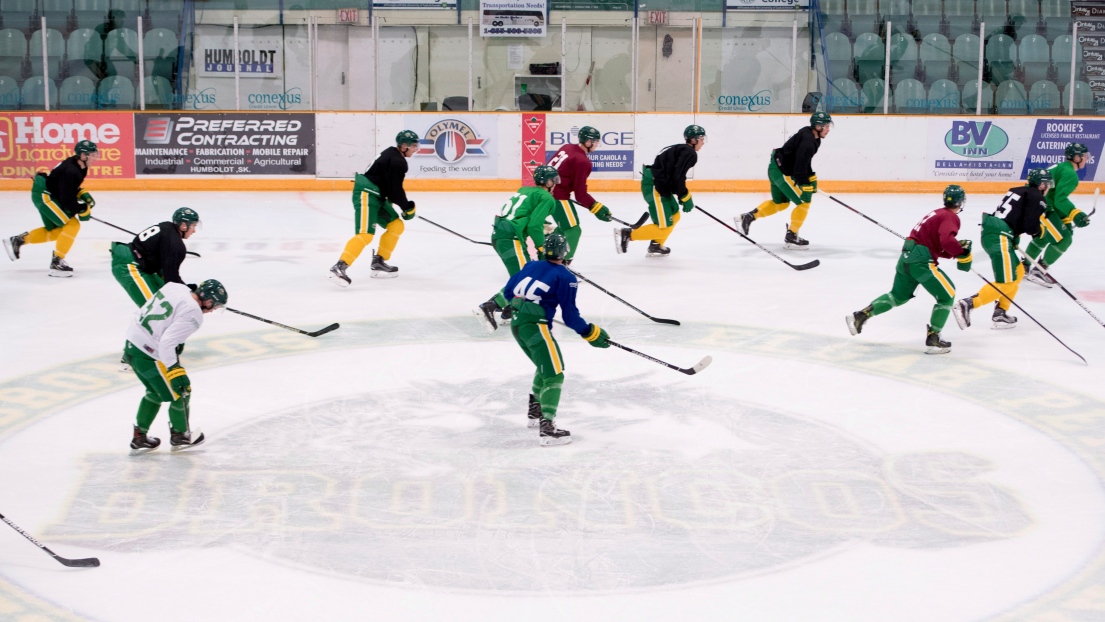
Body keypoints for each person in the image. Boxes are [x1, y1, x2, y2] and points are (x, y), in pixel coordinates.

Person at [477, 233, 610, 446]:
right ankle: (547, 429)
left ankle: (535, 412)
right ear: (565, 251)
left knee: (544, 367)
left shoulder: (530, 266)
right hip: (536, 327)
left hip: (518, 325)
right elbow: (570, 316)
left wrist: (518, 305)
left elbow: (510, 292)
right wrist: (590, 332)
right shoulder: (566, 277)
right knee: (554, 374)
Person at [846, 185, 973, 354]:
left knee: (898, 296)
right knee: (947, 295)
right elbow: (946, 242)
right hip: (921, 262)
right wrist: (961, 251)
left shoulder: (936, 213)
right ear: (961, 202)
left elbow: (935, 244)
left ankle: (861, 316)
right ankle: (933, 338)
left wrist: (952, 253)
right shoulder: (951, 217)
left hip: (906, 258)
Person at [125, 279, 228, 453]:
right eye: (214, 305)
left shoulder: (176, 287)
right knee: (182, 390)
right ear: (208, 300)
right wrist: (174, 369)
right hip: (149, 353)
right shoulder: (194, 313)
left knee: (155, 393)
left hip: (132, 346)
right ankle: (180, 435)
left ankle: (139, 436)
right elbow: (167, 343)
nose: (212, 310)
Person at [953, 170, 1050, 330]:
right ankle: (967, 304)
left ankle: (1000, 313)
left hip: (996, 234)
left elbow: (1013, 217)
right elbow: (1029, 226)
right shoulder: (1037, 197)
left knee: (1018, 273)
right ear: (1041, 184)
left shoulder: (1017, 190)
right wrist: (1039, 231)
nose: (1048, 188)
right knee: (1006, 282)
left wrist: (1014, 237)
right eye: (1047, 184)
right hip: (1001, 237)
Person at [329, 131, 419, 286]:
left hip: (377, 196)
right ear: (404, 146)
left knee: (396, 225)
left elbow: (388, 185)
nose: (416, 149)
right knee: (365, 234)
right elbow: (395, 190)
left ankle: (379, 262)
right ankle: (339, 267)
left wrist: (402, 205)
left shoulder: (391, 153)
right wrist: (407, 207)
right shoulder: (398, 161)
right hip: (367, 195)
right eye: (413, 146)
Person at [475, 165, 560, 325]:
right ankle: (491, 306)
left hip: (500, 233)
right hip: (510, 237)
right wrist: (542, 248)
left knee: (524, 274)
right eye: (554, 180)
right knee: (527, 278)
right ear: (548, 182)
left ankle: (510, 310)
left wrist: (543, 225)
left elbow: (524, 216)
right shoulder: (547, 198)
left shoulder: (525, 190)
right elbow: (534, 225)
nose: (556, 183)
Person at [4, 140, 100, 276]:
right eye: (93, 155)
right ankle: (56, 263)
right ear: (83, 156)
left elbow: (65, 187)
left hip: (46, 194)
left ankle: (17, 240)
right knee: (72, 225)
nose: (96, 158)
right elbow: (67, 200)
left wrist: (79, 193)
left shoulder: (79, 166)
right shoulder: (72, 170)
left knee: (57, 231)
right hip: (45, 197)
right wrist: (81, 208)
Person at [738, 112, 832, 250]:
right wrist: (805, 185)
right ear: (818, 127)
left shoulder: (811, 136)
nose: (828, 130)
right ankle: (792, 235)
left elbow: (805, 162)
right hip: (782, 172)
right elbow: (799, 166)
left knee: (781, 203)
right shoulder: (808, 142)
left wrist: (811, 177)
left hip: (775, 168)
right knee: (804, 202)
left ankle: (749, 216)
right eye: (826, 126)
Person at [615, 125, 706, 257]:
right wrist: (685, 196)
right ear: (693, 140)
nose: (703, 143)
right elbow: (678, 177)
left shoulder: (680, 149)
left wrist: (682, 195)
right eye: (701, 139)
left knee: (675, 215)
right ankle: (628, 234)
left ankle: (656, 245)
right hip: (655, 188)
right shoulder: (689, 153)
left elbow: (673, 175)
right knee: (664, 228)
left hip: (659, 186)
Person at [1024, 142, 1093, 287]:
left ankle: (1023, 267)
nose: (1086, 158)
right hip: (1040, 207)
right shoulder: (1070, 174)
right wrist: (1075, 214)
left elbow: (1054, 197)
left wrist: (1066, 219)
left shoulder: (1062, 167)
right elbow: (1059, 199)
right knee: (1065, 239)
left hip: (1031, 204)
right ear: (1076, 157)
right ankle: (1039, 270)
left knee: (1043, 237)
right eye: (1084, 156)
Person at [546, 125, 613, 262]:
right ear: (588, 142)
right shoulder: (582, 161)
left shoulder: (567, 147)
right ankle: (562, 263)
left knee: (563, 227)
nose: (596, 145)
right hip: (557, 196)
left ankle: (549, 256)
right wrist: (596, 207)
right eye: (595, 142)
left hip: (545, 191)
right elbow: (580, 194)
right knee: (573, 230)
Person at [111, 208, 200, 306]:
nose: (194, 231)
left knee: (166, 300)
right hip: (129, 264)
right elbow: (171, 279)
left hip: (136, 259)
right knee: (156, 310)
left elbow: (167, 274)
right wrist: (188, 292)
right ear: (183, 226)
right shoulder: (175, 245)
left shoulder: (166, 226)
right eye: (193, 226)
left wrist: (184, 288)